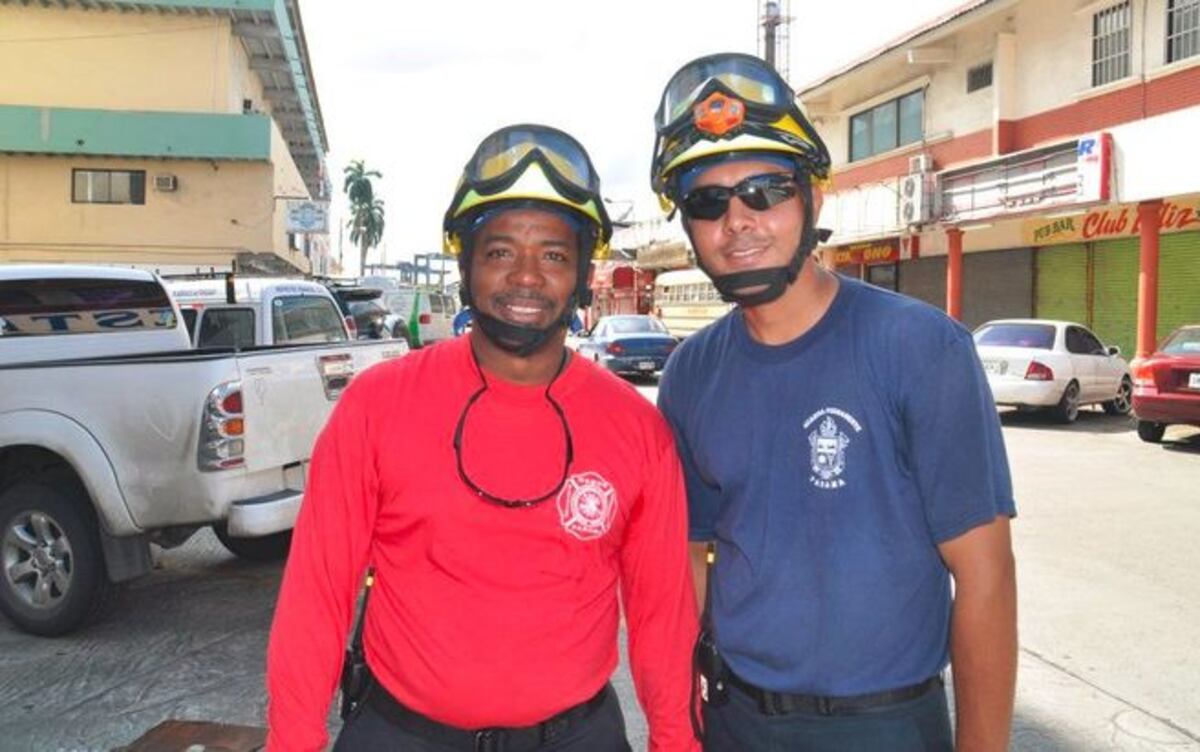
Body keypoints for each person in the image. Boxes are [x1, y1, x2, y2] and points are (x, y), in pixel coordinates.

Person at [266, 124, 700, 752]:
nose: (526, 277)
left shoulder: (637, 429)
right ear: (465, 266)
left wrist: (677, 743)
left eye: (553, 255)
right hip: (402, 735)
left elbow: (663, 617)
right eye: (500, 252)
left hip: (575, 738)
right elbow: (317, 593)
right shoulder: (377, 406)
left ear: (582, 275)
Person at [650, 53, 1018, 751]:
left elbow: (986, 577)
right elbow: (692, 557)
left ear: (812, 200)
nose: (738, 221)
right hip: (736, 719)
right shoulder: (690, 373)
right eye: (707, 202)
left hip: (884, 726)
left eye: (765, 191)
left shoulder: (921, 347)